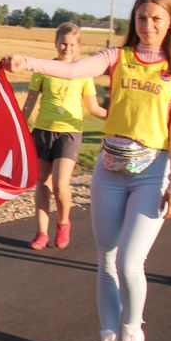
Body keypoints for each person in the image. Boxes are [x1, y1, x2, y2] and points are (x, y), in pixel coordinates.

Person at [0, 0, 171, 341]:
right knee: (106, 260)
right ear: (133, 20)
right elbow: (74, 70)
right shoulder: (118, 57)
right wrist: (29, 62)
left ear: (170, 22)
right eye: (142, 17)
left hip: (151, 172)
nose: (148, 25)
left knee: (130, 263)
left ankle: (132, 333)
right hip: (110, 169)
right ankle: (108, 339)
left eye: (157, 18)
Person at [21, 23, 107, 250]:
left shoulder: (84, 74)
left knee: (60, 184)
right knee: (42, 183)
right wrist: (18, 126)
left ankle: (63, 223)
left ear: (78, 46)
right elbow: (29, 104)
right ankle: (41, 233)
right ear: (56, 43)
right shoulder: (43, 69)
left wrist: (116, 117)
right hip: (43, 131)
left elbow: (93, 108)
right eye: (63, 43)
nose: (67, 48)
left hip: (69, 133)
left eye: (71, 44)